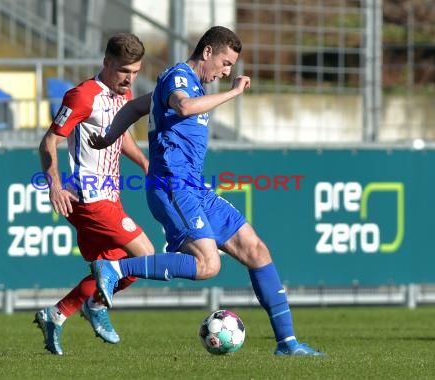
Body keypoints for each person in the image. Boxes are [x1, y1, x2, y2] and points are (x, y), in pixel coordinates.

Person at [88, 26, 324, 356]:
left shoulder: (188, 84)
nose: (227, 72)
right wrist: (233, 93)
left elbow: (135, 107)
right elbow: (183, 107)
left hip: (195, 188)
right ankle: (115, 269)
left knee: (256, 250)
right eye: (226, 63)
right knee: (207, 265)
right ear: (208, 53)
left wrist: (109, 135)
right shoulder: (179, 77)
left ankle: (287, 343)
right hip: (172, 184)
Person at [34, 33, 155, 355]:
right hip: (89, 197)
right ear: (106, 63)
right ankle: (97, 306)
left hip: (109, 196)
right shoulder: (82, 96)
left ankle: (57, 314)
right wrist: (54, 186)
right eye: (123, 71)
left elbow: (118, 132)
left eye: (135, 72)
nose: (129, 79)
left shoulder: (122, 93)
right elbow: (48, 142)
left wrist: (142, 160)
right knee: (144, 257)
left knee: (110, 265)